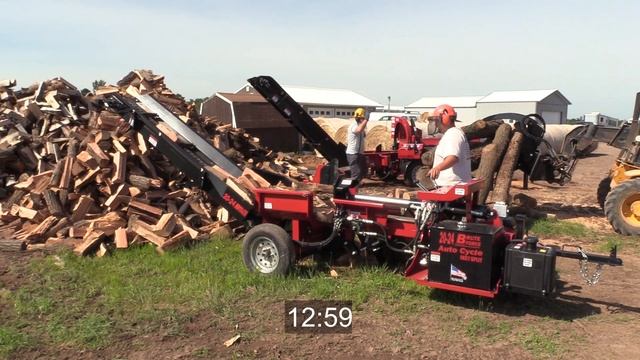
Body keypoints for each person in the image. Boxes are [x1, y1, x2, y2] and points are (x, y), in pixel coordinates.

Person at [427, 105, 472, 186]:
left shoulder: (453, 134)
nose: (436, 125)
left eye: (436, 121)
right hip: (452, 185)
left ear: (443, 119)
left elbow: (452, 158)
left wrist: (437, 168)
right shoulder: (454, 133)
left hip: (451, 186)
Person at [346, 107, 368, 182]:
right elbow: (358, 130)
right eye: (362, 118)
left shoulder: (360, 126)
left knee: (363, 172)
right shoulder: (353, 125)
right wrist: (366, 120)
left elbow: (363, 134)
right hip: (353, 153)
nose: (363, 119)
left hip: (359, 153)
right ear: (359, 118)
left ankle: (357, 186)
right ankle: (352, 189)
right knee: (356, 173)